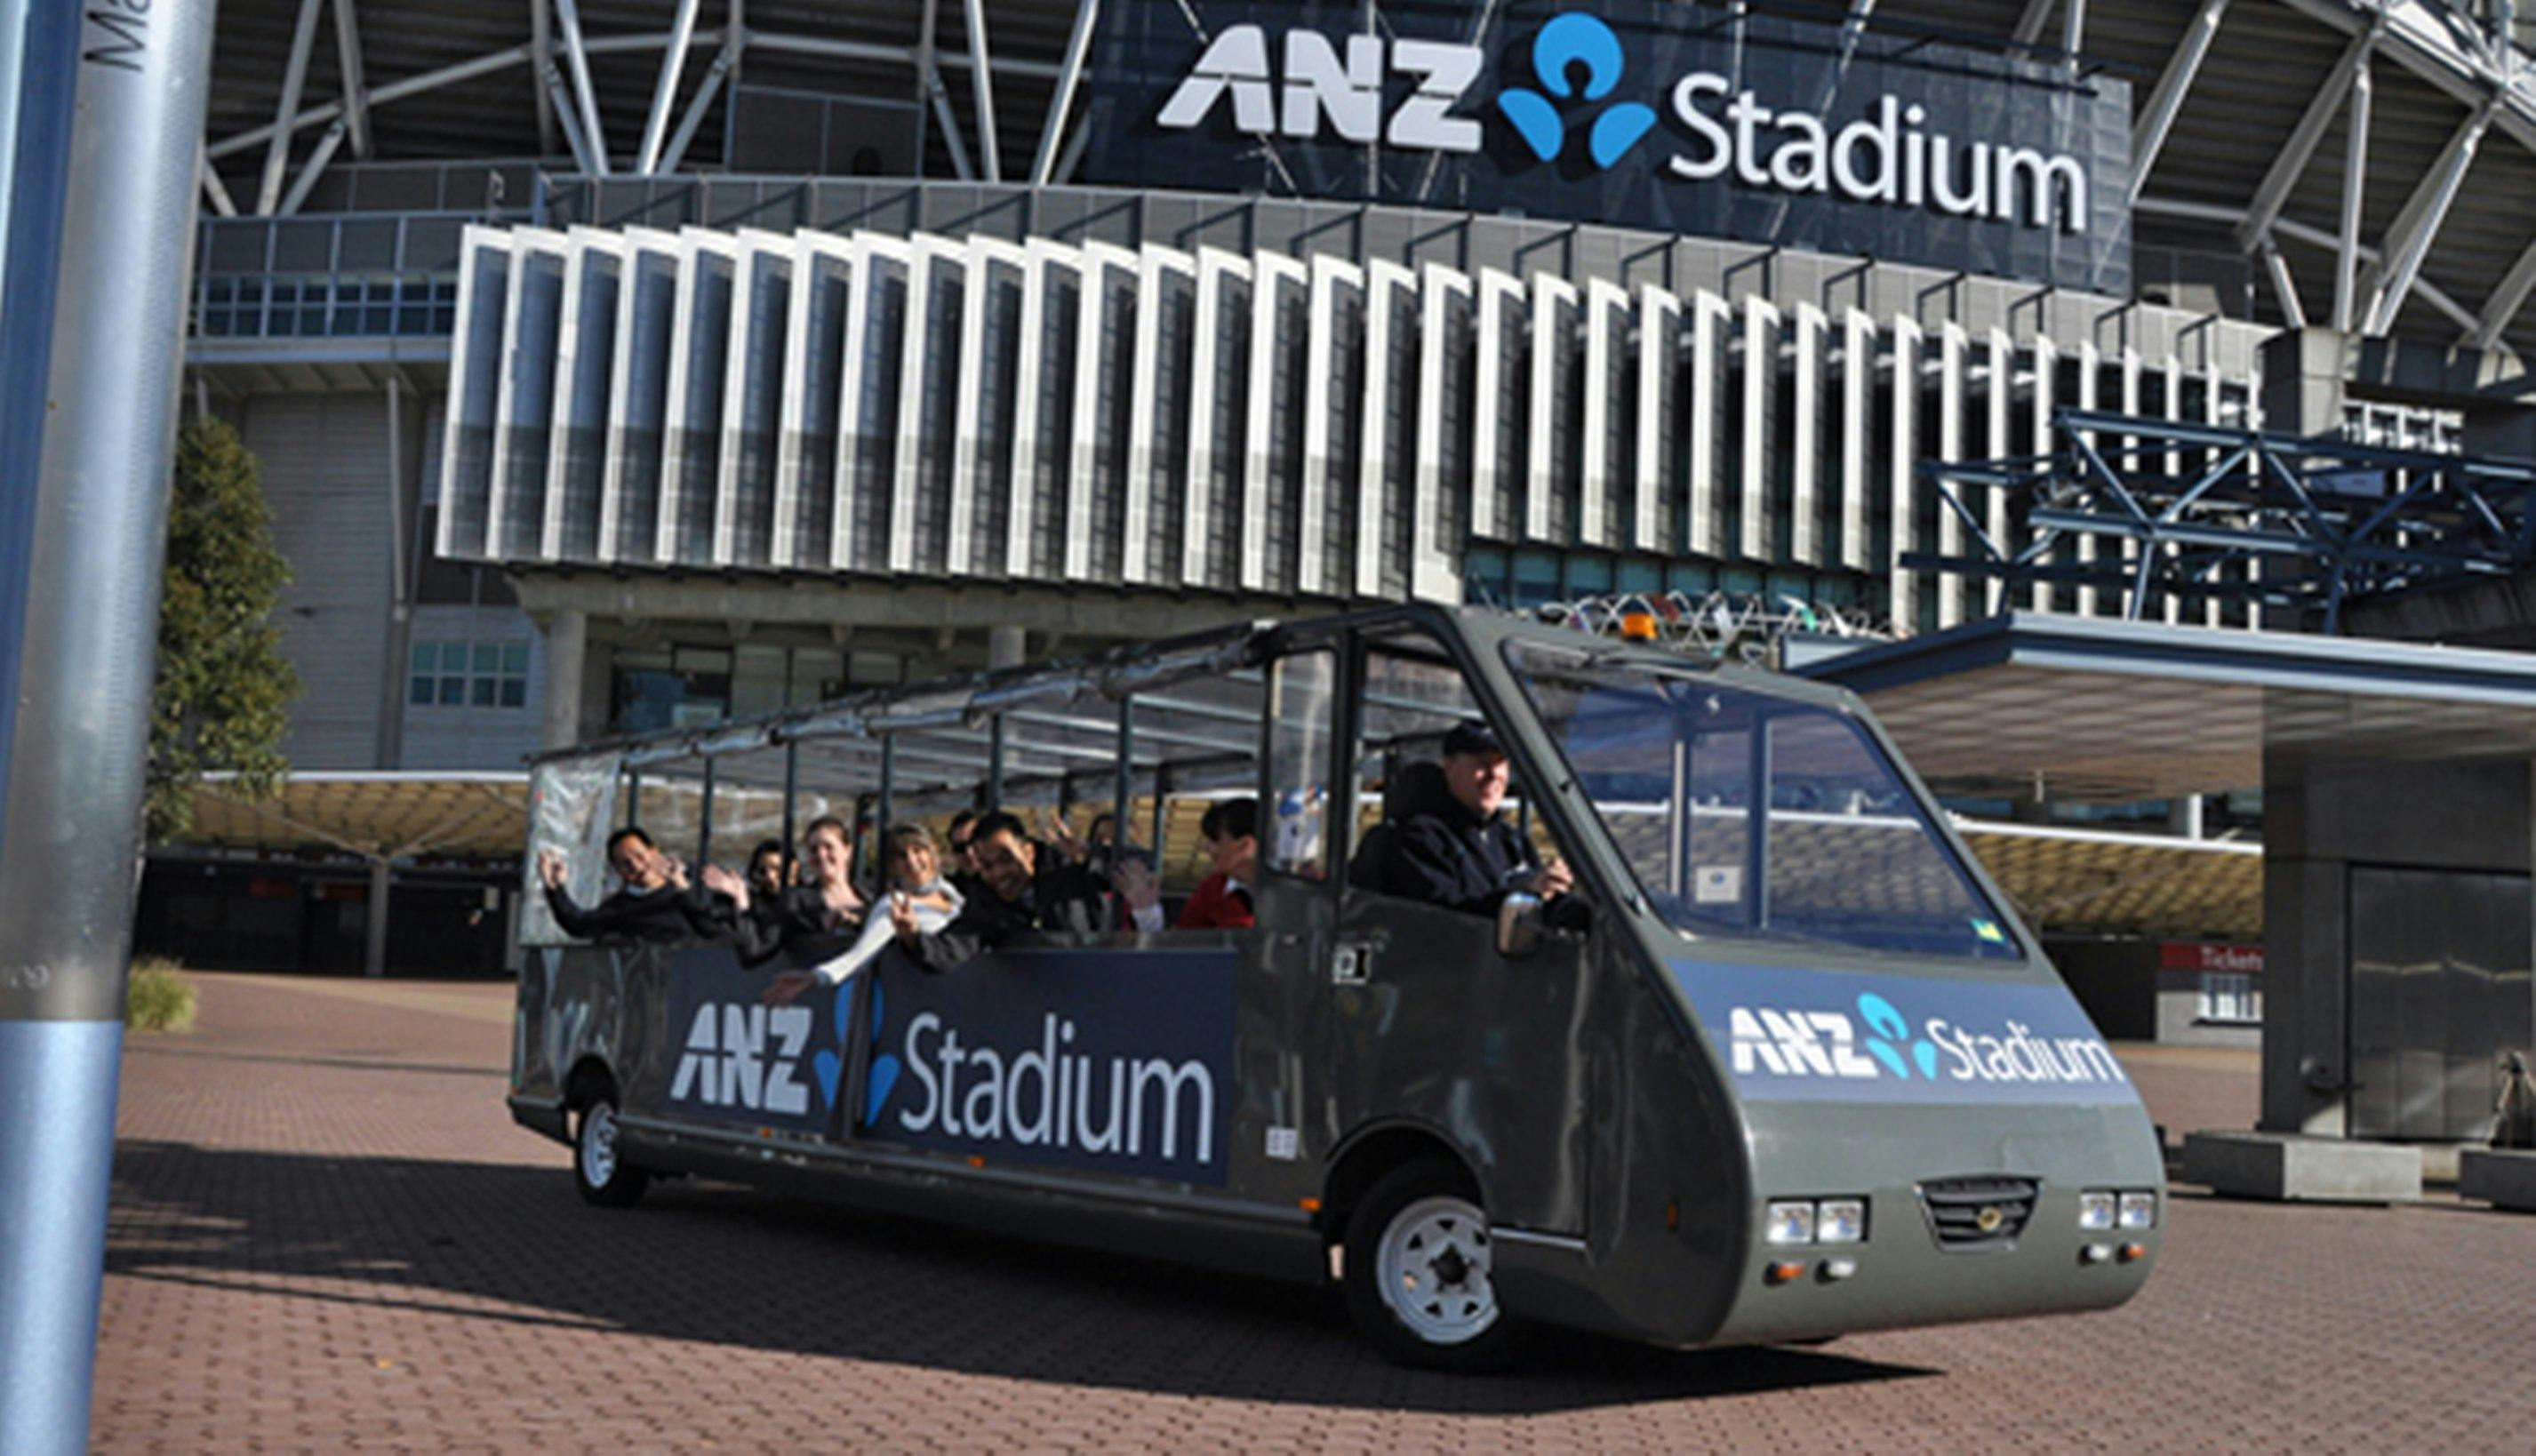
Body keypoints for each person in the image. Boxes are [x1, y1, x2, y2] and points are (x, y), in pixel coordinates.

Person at [1380, 722, 1574, 918]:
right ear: (1449, 767)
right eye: (1482, 763)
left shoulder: (1513, 842)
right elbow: (1447, 917)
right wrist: (1523, 898)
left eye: (1501, 763)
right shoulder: (1420, 840)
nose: (1494, 775)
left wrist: (1553, 891)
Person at [763, 823, 964, 1004]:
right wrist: (815, 977)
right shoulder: (894, 905)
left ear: (933, 852)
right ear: (895, 866)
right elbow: (858, 956)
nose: (912, 861)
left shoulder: (955, 895)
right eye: (902, 856)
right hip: (928, 1005)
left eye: (918, 850)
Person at [890, 810, 1108, 972]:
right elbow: (953, 947)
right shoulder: (986, 906)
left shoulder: (1072, 875)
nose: (999, 873)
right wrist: (913, 937)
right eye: (987, 866)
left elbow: (1133, 878)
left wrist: (1096, 858)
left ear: (1028, 853)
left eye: (1006, 860)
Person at [702, 815, 868, 968]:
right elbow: (753, 953)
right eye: (813, 849)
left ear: (847, 851)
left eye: (828, 846)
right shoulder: (795, 901)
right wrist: (741, 901)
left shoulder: (869, 898)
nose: (822, 855)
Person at [536, 828, 710, 943]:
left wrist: (682, 887)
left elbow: (713, 925)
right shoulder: (620, 907)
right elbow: (579, 925)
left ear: (653, 852)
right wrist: (555, 888)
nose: (636, 866)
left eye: (639, 856)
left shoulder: (690, 885)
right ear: (618, 871)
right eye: (625, 864)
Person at [1175, 797, 1257, 930]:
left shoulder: (1293, 890)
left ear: (1245, 845)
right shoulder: (1209, 891)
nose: (1205, 847)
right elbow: (1181, 940)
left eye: (1215, 839)